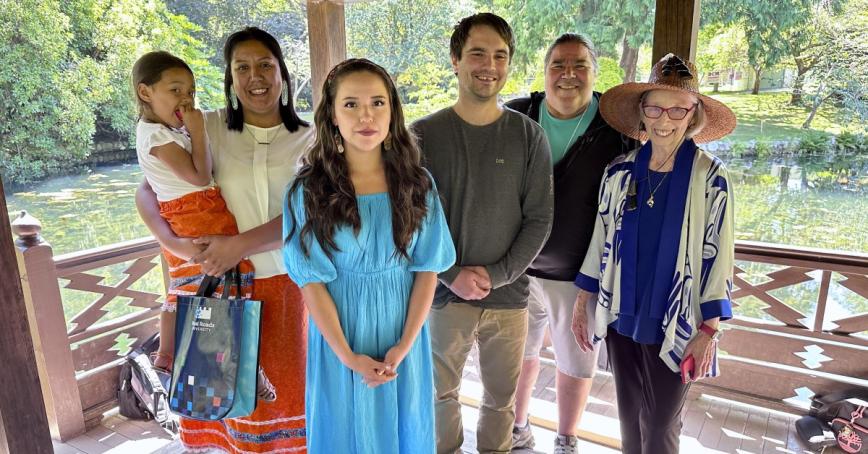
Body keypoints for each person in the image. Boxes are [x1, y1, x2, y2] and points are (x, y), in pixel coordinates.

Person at [134, 27, 313, 453]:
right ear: (230, 79)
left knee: (287, 403)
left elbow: (317, 215)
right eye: (242, 67)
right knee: (226, 404)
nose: (256, 76)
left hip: (289, 285)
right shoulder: (203, 127)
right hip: (221, 290)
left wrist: (241, 245)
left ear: (283, 74)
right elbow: (147, 190)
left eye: (266, 65)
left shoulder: (312, 136)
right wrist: (173, 244)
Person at [282, 58, 455, 454]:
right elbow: (311, 282)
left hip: (403, 332)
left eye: (378, 103)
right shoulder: (306, 191)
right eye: (351, 104)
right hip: (339, 334)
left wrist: (404, 346)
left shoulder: (416, 184)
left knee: (404, 429)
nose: (366, 115)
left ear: (393, 111)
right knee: (344, 431)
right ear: (331, 115)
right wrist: (349, 356)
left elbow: (427, 270)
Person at [571, 53, 737, 454]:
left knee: (661, 424)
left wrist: (709, 330)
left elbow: (722, 256)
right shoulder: (619, 171)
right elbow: (601, 239)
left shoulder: (711, 177)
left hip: (678, 318)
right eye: (655, 108)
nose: (665, 119)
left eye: (678, 108)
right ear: (641, 112)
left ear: (693, 112)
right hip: (621, 314)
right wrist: (582, 303)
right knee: (628, 417)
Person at [412, 13, 554, 454]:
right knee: (438, 397)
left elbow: (540, 217)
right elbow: (409, 220)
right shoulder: (421, 135)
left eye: (500, 55)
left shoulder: (529, 136)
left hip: (509, 297)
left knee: (501, 403)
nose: (488, 64)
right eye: (477, 53)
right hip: (440, 294)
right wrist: (451, 273)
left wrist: (499, 273)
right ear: (456, 60)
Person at [504, 33, 638, 453]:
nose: (568, 74)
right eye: (558, 65)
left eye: (579, 65)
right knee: (518, 358)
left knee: (576, 361)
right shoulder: (516, 117)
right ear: (544, 73)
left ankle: (566, 439)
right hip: (517, 271)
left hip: (581, 279)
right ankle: (517, 429)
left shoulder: (616, 128)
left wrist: (597, 283)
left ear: (594, 72)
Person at [130, 50, 277, 403]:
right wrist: (198, 131)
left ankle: (167, 359)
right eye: (176, 90)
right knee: (226, 282)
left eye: (191, 92)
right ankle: (240, 364)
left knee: (188, 285)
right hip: (196, 212)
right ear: (145, 92)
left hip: (191, 212)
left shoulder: (162, 131)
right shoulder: (157, 135)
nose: (186, 99)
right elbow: (199, 176)